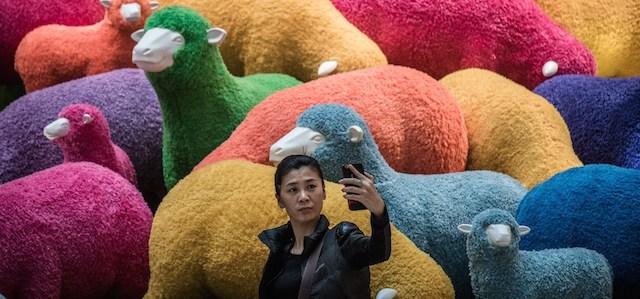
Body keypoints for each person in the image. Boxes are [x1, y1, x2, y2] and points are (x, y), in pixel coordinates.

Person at [258, 155, 391, 299]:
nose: (303, 197)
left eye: (311, 187)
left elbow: (378, 252)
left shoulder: (342, 239)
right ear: (280, 200)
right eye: (292, 190)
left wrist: (379, 211)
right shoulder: (278, 251)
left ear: (324, 192)